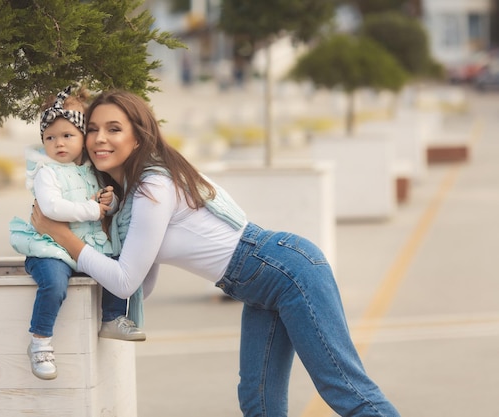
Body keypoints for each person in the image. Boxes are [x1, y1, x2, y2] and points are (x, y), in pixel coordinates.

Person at [30, 89, 401, 416]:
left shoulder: (153, 187)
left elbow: (126, 282)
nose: (99, 139)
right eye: (92, 129)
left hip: (288, 272)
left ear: (139, 138)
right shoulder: (132, 198)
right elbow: (143, 282)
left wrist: (60, 235)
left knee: (345, 391)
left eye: (114, 129)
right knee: (259, 404)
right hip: (261, 287)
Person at [9, 87, 145, 381]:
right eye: (50, 137)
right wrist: (92, 210)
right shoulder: (47, 172)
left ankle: (112, 317)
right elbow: (52, 208)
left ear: (83, 137)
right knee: (54, 285)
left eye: (67, 136)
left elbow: (106, 201)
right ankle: (40, 341)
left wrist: (110, 204)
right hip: (50, 248)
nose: (58, 143)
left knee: (117, 264)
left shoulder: (92, 170)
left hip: (84, 245)